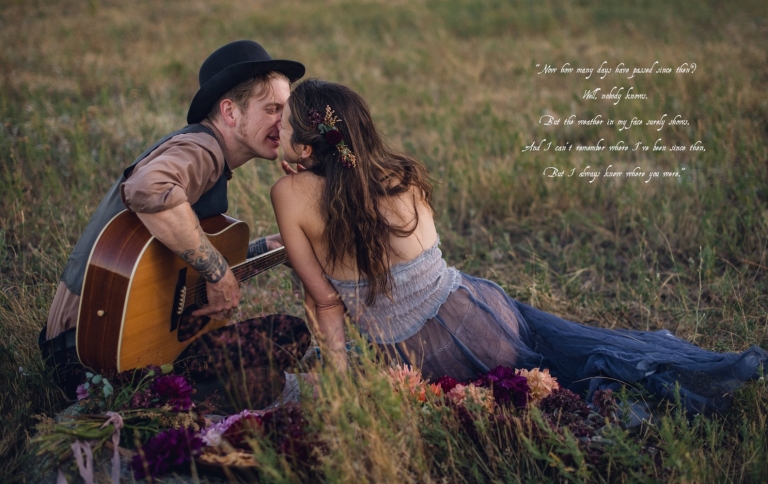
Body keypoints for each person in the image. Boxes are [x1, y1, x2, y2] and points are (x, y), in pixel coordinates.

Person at [270, 79, 768, 415]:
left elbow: (327, 300)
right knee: (573, 353)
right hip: (477, 307)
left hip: (423, 351)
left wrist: (341, 381)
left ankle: (658, 396)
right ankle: (697, 372)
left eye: (285, 127)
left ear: (309, 148)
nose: (277, 132)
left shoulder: (290, 195)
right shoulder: (399, 174)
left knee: (566, 392)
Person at [40, 40, 309, 400]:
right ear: (230, 112)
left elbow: (171, 254)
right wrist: (217, 270)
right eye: (272, 108)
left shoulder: (207, 154)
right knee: (261, 381)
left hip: (108, 334)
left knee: (287, 334)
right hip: (90, 348)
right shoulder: (203, 149)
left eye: (285, 110)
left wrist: (267, 249)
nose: (283, 121)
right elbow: (149, 187)